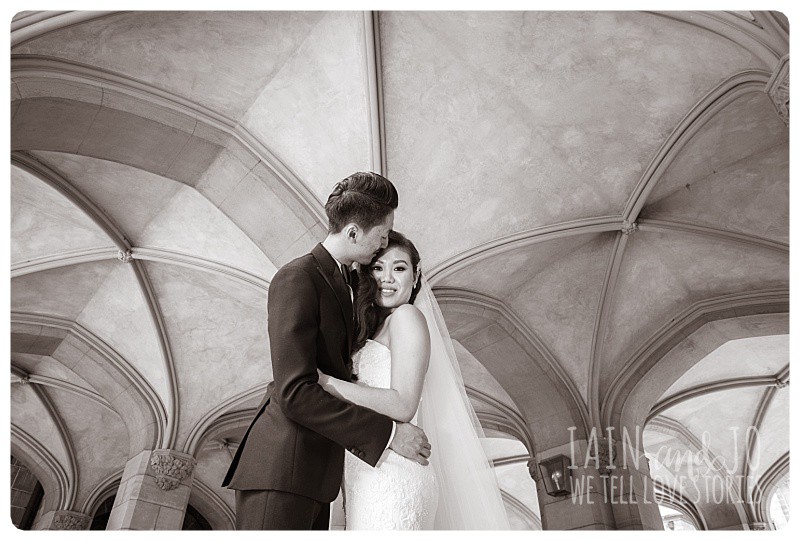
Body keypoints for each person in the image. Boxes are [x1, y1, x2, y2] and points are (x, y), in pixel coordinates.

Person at [221, 172, 431, 530]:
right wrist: (391, 435)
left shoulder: (350, 283)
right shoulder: (298, 277)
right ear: (353, 233)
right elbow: (295, 392)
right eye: (380, 237)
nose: (382, 246)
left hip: (319, 474)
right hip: (282, 466)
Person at [318, 231, 510, 529]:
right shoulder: (370, 332)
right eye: (378, 268)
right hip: (367, 475)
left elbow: (403, 403)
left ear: (416, 274)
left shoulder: (407, 317)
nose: (387, 278)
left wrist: (328, 384)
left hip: (394, 479)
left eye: (399, 268)